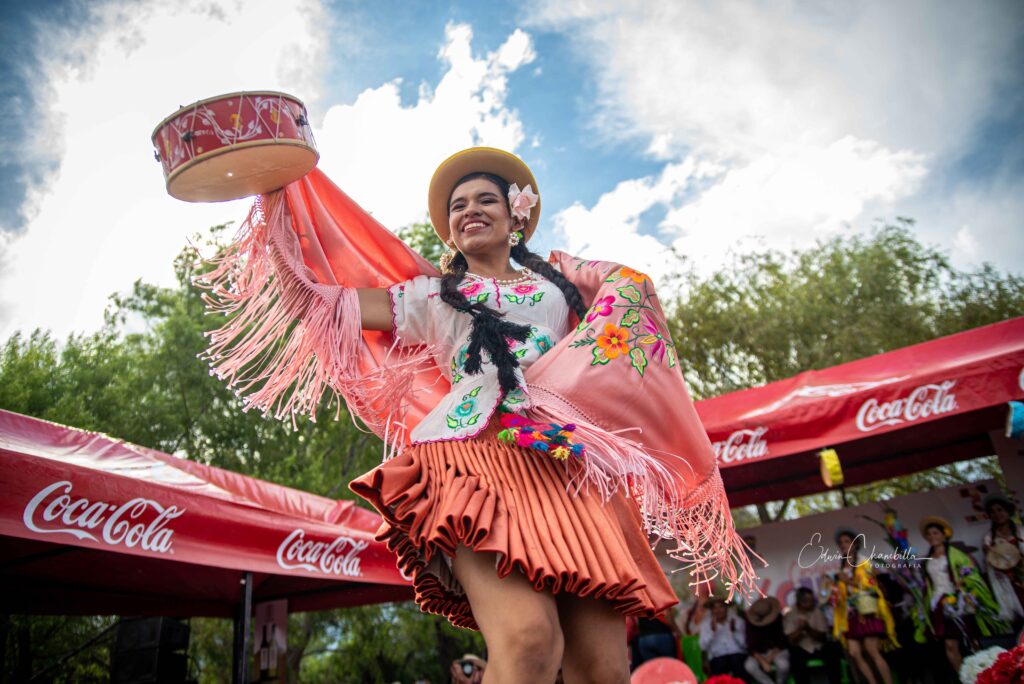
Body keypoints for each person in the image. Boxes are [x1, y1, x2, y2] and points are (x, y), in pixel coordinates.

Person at [195, 147, 759, 683]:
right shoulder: (432, 296)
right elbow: (322, 304)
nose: (470, 210)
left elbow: (630, 292)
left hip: (567, 470)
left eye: (485, 200)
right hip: (475, 463)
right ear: (448, 231)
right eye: (457, 206)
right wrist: (275, 205)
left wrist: (574, 388)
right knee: (529, 642)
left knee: (604, 671)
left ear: (516, 215)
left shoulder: (559, 285)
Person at [920, 515, 1007, 674]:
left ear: (943, 535)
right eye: (929, 534)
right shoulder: (927, 560)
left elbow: (971, 573)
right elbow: (928, 584)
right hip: (939, 605)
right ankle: (963, 676)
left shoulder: (956, 554)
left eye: (935, 533)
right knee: (950, 645)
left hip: (959, 602)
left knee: (971, 640)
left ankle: (983, 675)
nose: (932, 537)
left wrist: (963, 582)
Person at [830, 527, 897, 684]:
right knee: (854, 653)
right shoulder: (842, 565)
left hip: (866, 611)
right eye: (841, 543)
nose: (843, 545)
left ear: (855, 544)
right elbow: (843, 590)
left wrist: (846, 581)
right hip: (850, 614)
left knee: (873, 651)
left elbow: (869, 585)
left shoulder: (863, 561)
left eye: (847, 541)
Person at [981, 493, 1024, 627]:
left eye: (1000, 510)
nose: (997, 514)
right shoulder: (988, 539)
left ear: (1007, 511)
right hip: (1008, 585)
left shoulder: (1021, 532)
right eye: (992, 511)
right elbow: (991, 566)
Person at [784, 587, 843, 684]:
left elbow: (823, 636)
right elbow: (790, 639)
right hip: (800, 647)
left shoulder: (817, 612)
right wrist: (800, 629)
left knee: (832, 651)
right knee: (795, 659)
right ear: (802, 602)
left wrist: (808, 629)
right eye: (811, 601)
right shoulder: (790, 614)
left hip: (818, 645)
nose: (813, 602)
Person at [743, 597, 790, 684]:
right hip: (759, 653)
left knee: (783, 665)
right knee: (749, 666)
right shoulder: (750, 623)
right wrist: (762, 660)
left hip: (777, 650)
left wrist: (769, 658)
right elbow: (750, 645)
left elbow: (782, 641)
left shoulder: (779, 619)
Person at [699, 598, 747, 679]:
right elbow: (703, 647)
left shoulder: (737, 621)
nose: (718, 610)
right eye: (715, 608)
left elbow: (745, 645)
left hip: (737, 655)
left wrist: (735, 632)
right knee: (719, 667)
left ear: (726, 608)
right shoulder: (706, 625)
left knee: (737, 664)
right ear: (712, 610)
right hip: (718, 658)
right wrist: (712, 632)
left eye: (721, 607)